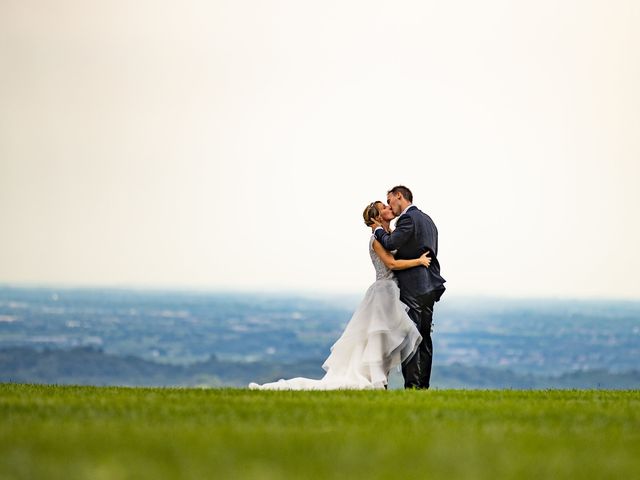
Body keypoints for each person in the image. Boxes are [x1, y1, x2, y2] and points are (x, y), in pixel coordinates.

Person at [248, 201, 430, 390]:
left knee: (386, 340)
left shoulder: (390, 236)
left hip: (393, 292)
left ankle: (382, 381)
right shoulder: (376, 240)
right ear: (376, 217)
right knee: (378, 340)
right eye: (383, 207)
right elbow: (391, 264)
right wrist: (419, 261)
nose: (388, 208)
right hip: (383, 293)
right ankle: (377, 382)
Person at [372, 185, 446, 389]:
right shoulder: (428, 220)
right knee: (424, 337)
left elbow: (390, 242)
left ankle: (412, 386)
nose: (390, 206)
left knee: (410, 337)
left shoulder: (407, 219)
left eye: (390, 201)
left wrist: (377, 229)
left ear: (399, 196)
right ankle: (423, 386)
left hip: (413, 286)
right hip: (429, 285)